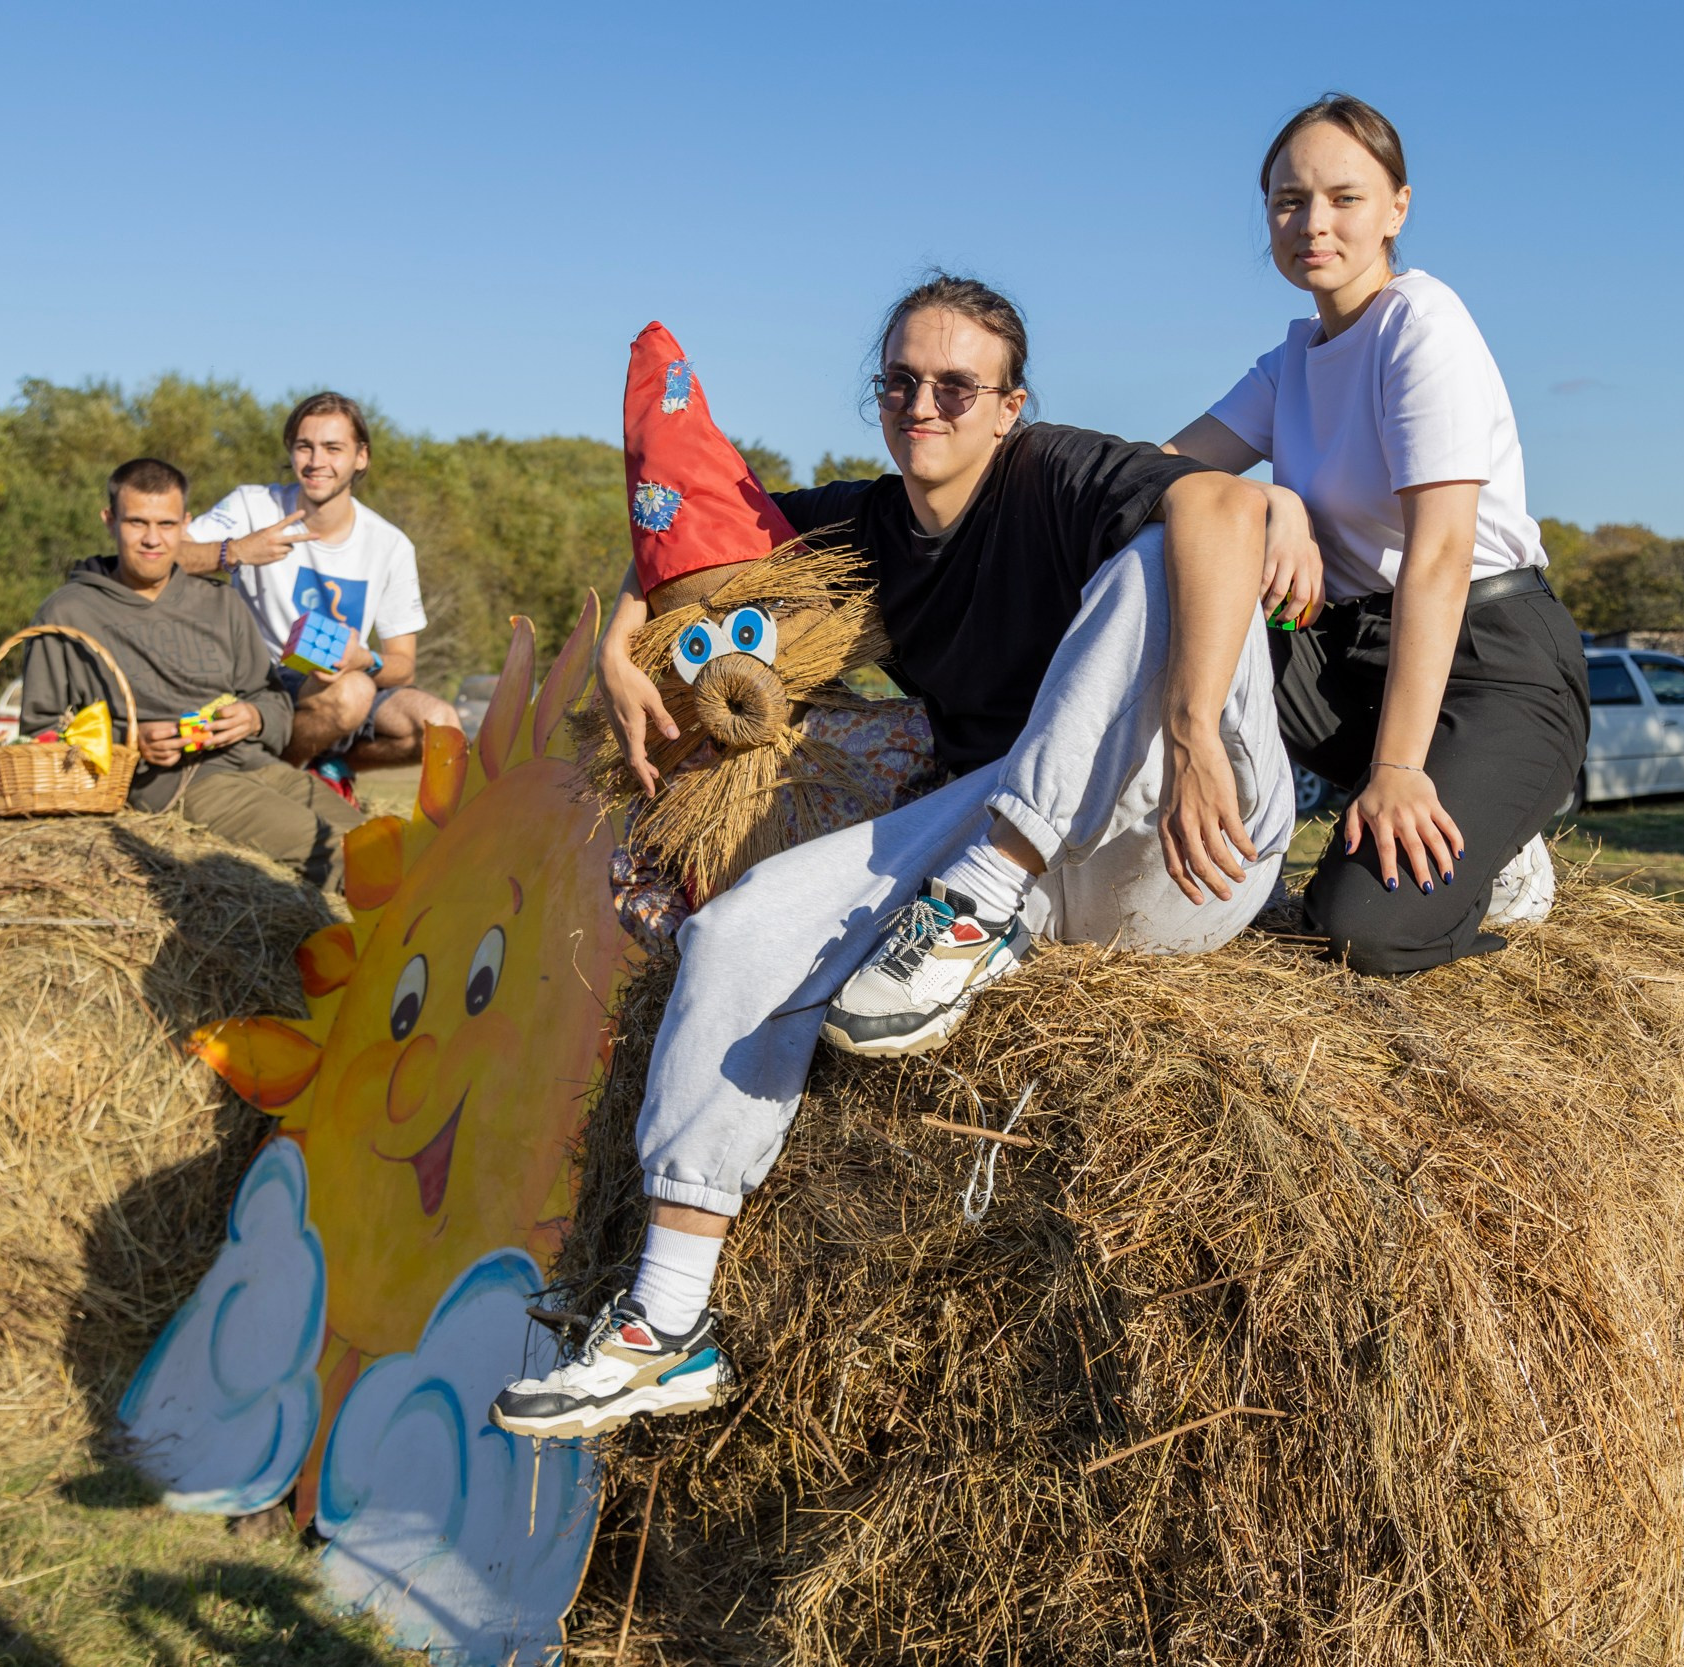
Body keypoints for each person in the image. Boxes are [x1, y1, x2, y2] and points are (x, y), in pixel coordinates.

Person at [490, 278, 1290, 1440]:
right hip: (1035, 856)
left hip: (1191, 825)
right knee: (740, 930)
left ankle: (976, 901)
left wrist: (1192, 724)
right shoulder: (866, 526)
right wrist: (622, 642)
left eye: (955, 385)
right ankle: (665, 1321)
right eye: (901, 381)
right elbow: (697, 532)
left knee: (1160, 552)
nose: (925, 403)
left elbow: (1224, 501)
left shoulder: (1055, 470)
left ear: (1009, 405)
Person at [1164, 93, 1588, 975]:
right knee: (1171, 582)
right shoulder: (1289, 363)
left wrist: (1397, 768)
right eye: (1288, 201)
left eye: (1344, 197)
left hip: (1490, 656)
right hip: (1350, 655)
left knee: (1359, 929)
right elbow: (1160, 469)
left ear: (1398, 207)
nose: (1312, 222)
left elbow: (1438, 554)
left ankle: (1493, 852)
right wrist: (1271, 505)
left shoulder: (1420, 325)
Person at [20, 458, 364, 889]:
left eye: (166, 524)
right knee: (343, 855)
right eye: (136, 523)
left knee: (386, 843)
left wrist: (254, 718)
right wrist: (132, 744)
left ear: (185, 524)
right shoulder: (67, 612)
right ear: (110, 521)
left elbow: (272, 698)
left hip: (256, 764)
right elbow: (39, 735)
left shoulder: (220, 602)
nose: (152, 539)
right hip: (177, 786)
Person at [179, 393, 459, 800]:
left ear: (361, 457)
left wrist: (364, 659)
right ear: (291, 451)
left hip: (340, 685)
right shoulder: (252, 505)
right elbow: (164, 556)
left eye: (333, 448)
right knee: (354, 692)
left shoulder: (390, 545)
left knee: (441, 726)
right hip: (260, 681)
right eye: (304, 446)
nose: (316, 461)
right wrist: (234, 551)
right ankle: (274, 783)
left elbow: (403, 666)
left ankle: (329, 765)